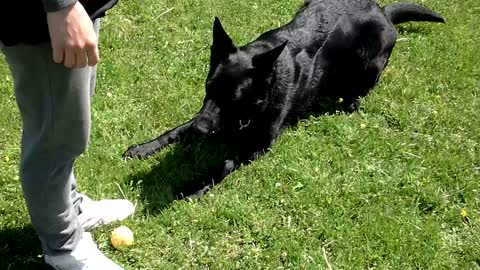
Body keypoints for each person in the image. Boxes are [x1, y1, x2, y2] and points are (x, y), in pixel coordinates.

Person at [0, 0, 134, 269]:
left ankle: (70, 209)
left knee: (68, 121)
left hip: (72, 8)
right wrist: (61, 6)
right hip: (41, 15)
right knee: (54, 138)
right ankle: (63, 245)